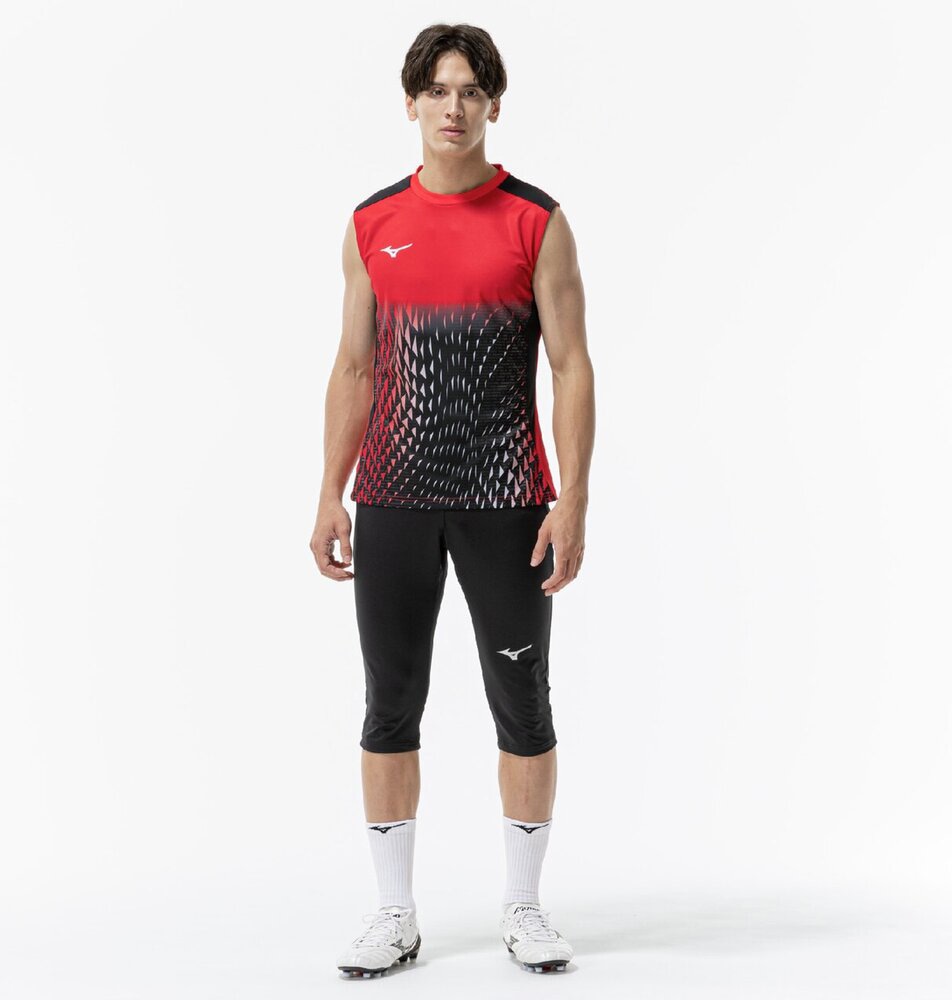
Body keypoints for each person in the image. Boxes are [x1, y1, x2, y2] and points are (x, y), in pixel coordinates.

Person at [310, 22, 594, 978]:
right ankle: (394, 913)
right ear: (411, 104)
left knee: (523, 700)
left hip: (507, 498)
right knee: (389, 702)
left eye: (471, 90)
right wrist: (330, 493)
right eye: (437, 90)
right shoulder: (371, 224)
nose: (454, 107)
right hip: (392, 495)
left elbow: (572, 366)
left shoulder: (536, 221)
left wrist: (573, 500)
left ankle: (524, 906)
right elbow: (354, 366)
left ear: (494, 105)